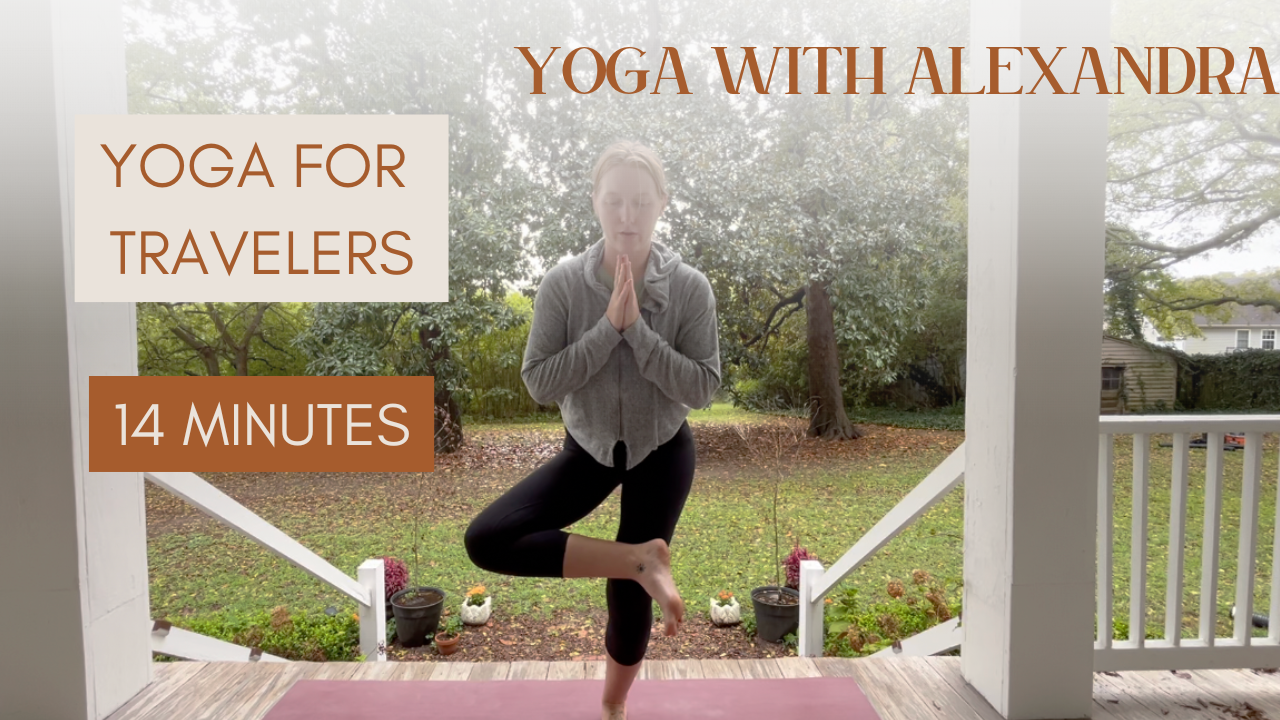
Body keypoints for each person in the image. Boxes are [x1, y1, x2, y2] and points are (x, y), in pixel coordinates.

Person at [464, 140, 721, 720]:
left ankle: (612, 706)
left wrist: (641, 335)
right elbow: (539, 382)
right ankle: (640, 558)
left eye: (639, 201)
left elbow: (703, 387)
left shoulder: (689, 288)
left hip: (663, 451)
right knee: (488, 539)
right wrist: (608, 328)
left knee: (627, 598)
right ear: (595, 203)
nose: (626, 215)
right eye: (614, 201)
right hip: (588, 451)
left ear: (661, 202)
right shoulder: (563, 285)